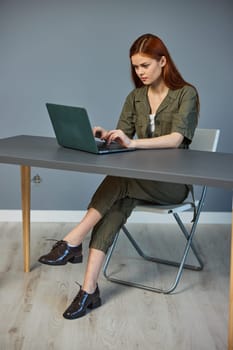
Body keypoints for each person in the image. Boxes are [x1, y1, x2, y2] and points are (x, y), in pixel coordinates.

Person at [38, 33, 199, 319]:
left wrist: (134, 143)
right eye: (135, 67)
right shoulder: (135, 97)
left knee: (120, 180)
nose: (140, 73)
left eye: (145, 65)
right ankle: (89, 291)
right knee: (116, 203)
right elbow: (122, 134)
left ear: (163, 61)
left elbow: (175, 139)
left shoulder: (186, 94)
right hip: (137, 182)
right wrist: (106, 135)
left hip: (171, 185)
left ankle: (72, 241)